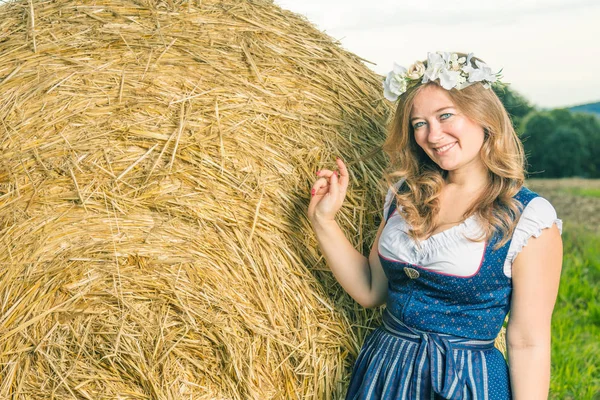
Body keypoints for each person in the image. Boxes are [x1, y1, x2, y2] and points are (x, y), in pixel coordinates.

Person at [307, 51, 563, 399]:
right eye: (419, 123)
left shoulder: (528, 218)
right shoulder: (404, 195)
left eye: (445, 116)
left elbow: (528, 342)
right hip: (385, 373)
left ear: (483, 116)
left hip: (466, 383)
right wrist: (323, 220)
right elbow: (370, 289)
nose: (433, 134)